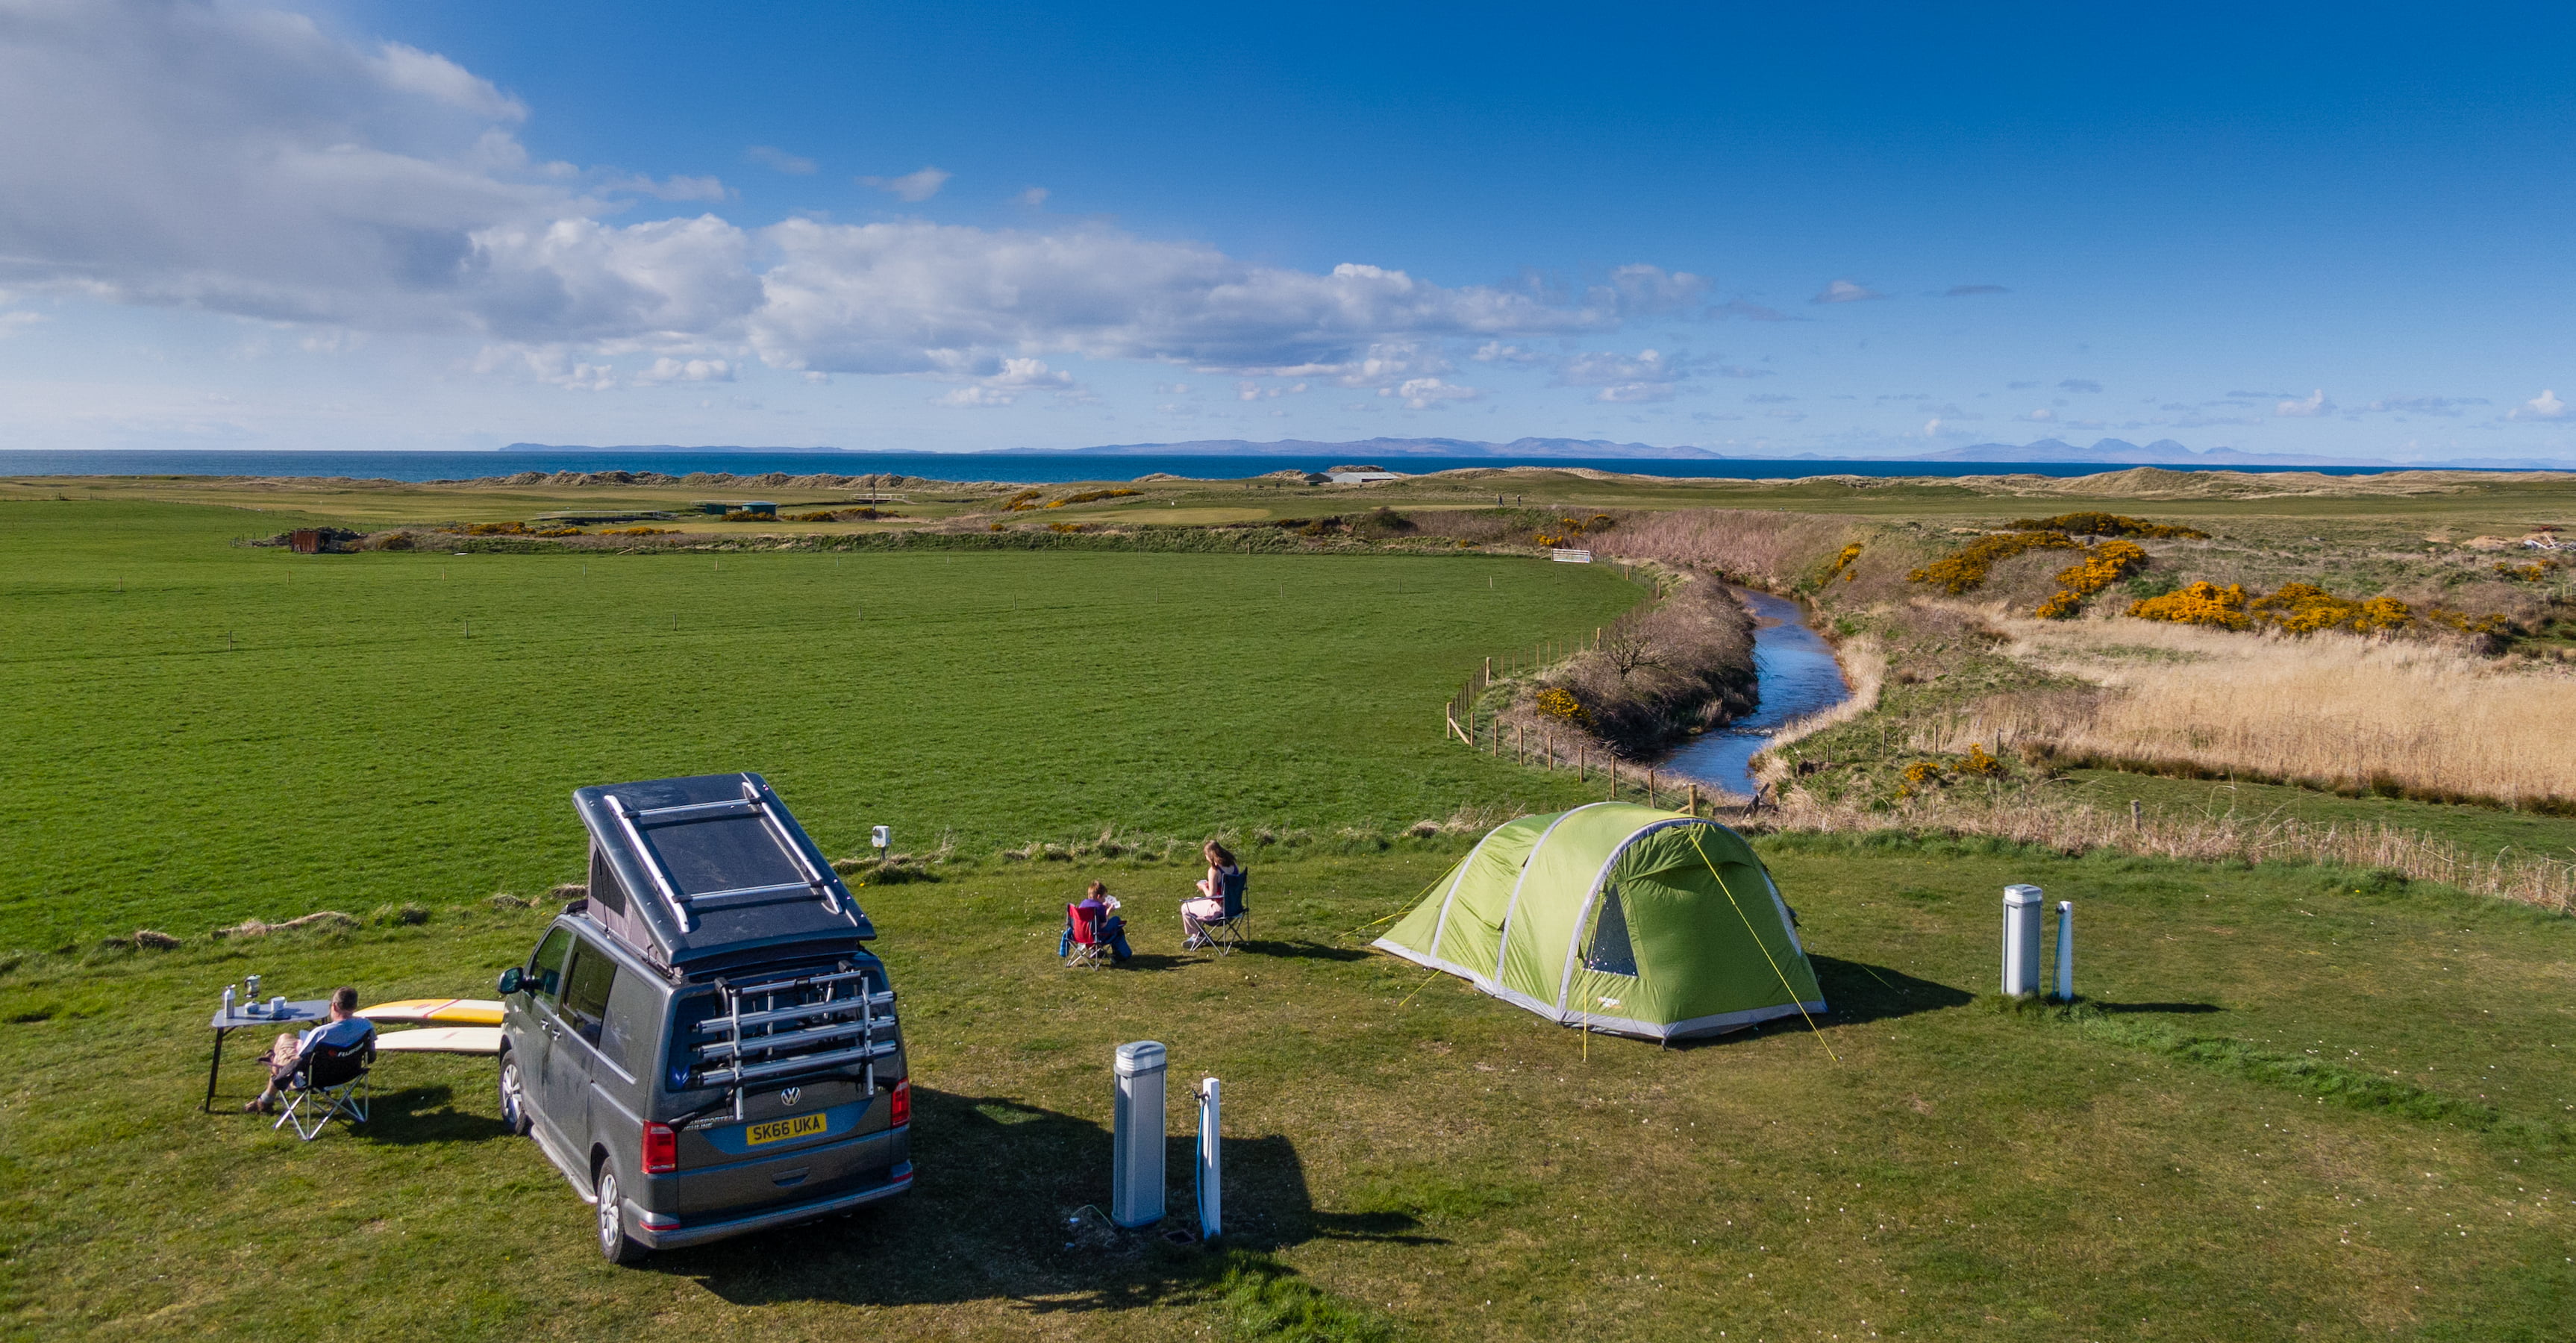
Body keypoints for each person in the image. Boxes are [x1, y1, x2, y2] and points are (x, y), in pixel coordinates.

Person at [244, 985, 373, 1114]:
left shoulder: (321, 1033)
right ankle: (265, 1099)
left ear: (334, 1006)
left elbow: (299, 1060)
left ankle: (265, 1100)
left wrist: (300, 1045)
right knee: (287, 1038)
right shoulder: (366, 1026)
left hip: (311, 1081)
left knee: (282, 1046)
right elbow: (372, 1056)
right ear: (354, 1007)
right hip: (349, 1074)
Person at [1182, 839, 1245, 948]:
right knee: (1196, 899)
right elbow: (1227, 886)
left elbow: (1211, 896)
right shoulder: (1234, 865)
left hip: (1219, 912)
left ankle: (1198, 936)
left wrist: (1203, 887)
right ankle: (1200, 935)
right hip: (1235, 908)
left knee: (1186, 907)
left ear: (1210, 856)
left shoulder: (1214, 871)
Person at [1057, 880, 1132, 962]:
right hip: (1096, 937)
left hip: (1079, 935)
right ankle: (1121, 955)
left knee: (1099, 927)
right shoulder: (1100, 908)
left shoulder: (1083, 903)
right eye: (1104, 897)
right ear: (1099, 896)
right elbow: (1103, 925)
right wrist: (1108, 911)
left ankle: (1095, 951)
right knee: (1117, 926)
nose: (1105, 899)